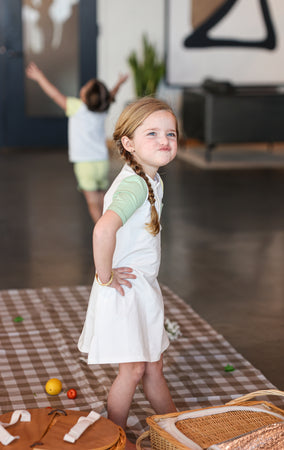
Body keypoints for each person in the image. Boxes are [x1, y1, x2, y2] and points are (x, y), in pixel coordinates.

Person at [78, 97, 178, 448]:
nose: (165, 140)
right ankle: (114, 436)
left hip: (141, 289)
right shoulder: (135, 184)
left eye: (171, 133)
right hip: (125, 291)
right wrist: (105, 277)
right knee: (134, 369)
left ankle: (175, 429)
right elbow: (103, 230)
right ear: (128, 143)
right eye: (152, 133)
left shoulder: (149, 178)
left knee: (153, 366)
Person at [25, 62, 128, 223]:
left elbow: (54, 94)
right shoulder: (102, 108)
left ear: (86, 97)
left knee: (93, 203)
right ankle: (112, 228)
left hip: (85, 165)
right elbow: (110, 96)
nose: (84, 85)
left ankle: (104, 233)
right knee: (102, 200)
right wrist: (119, 84)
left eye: (86, 86)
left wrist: (39, 78)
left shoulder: (76, 107)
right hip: (101, 162)